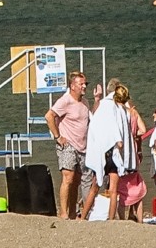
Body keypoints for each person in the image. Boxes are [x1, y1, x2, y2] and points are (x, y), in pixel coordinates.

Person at [81, 81, 136, 221]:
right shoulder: (119, 109)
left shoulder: (105, 105)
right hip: (113, 152)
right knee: (113, 190)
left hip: (102, 151)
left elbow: (96, 123)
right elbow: (116, 127)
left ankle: (82, 217)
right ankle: (110, 220)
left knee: (95, 187)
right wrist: (118, 140)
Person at [44, 70, 91, 220]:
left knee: (76, 181)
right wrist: (58, 136)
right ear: (72, 86)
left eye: (85, 83)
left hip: (82, 146)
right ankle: (63, 212)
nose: (84, 86)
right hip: (68, 145)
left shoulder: (85, 102)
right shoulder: (65, 101)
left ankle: (72, 212)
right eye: (81, 84)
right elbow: (49, 116)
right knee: (68, 178)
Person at [116, 85, 148, 221]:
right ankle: (139, 220)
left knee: (122, 188)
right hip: (133, 152)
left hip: (122, 152)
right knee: (136, 186)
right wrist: (133, 134)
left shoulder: (117, 112)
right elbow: (143, 130)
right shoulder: (133, 113)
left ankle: (122, 219)